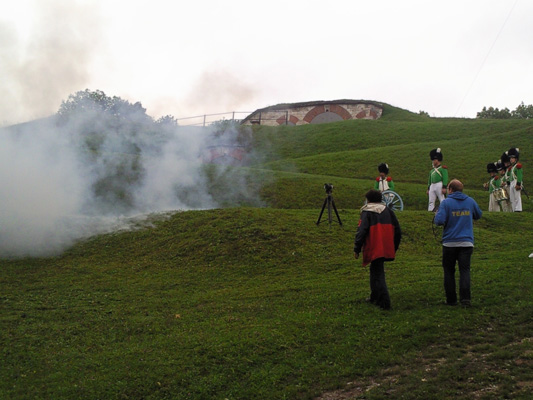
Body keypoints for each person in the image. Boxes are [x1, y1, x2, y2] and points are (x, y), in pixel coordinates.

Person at [434, 179, 482, 307]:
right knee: (464, 271)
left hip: (449, 243)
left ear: (450, 190)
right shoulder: (470, 201)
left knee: (449, 271)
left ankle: (451, 300)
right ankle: (466, 299)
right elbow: (478, 215)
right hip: (466, 242)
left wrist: (437, 214)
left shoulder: (446, 203)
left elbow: (439, 221)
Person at [354, 189, 402, 310]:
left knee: (378, 273)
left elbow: (361, 231)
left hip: (374, 246)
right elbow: (398, 230)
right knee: (375, 270)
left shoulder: (367, 212)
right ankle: (374, 296)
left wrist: (357, 248)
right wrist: (394, 246)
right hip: (386, 245)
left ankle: (385, 302)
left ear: (368, 200)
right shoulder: (389, 211)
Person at [507, 147, 523, 212]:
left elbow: (519, 175)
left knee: (517, 197)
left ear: (516, 159)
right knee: (512, 198)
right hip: (512, 182)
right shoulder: (512, 167)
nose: (511, 159)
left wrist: (518, 184)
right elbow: (510, 176)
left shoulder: (518, 166)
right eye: (510, 158)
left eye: (512, 158)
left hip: (516, 182)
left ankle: (518, 209)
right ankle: (514, 209)